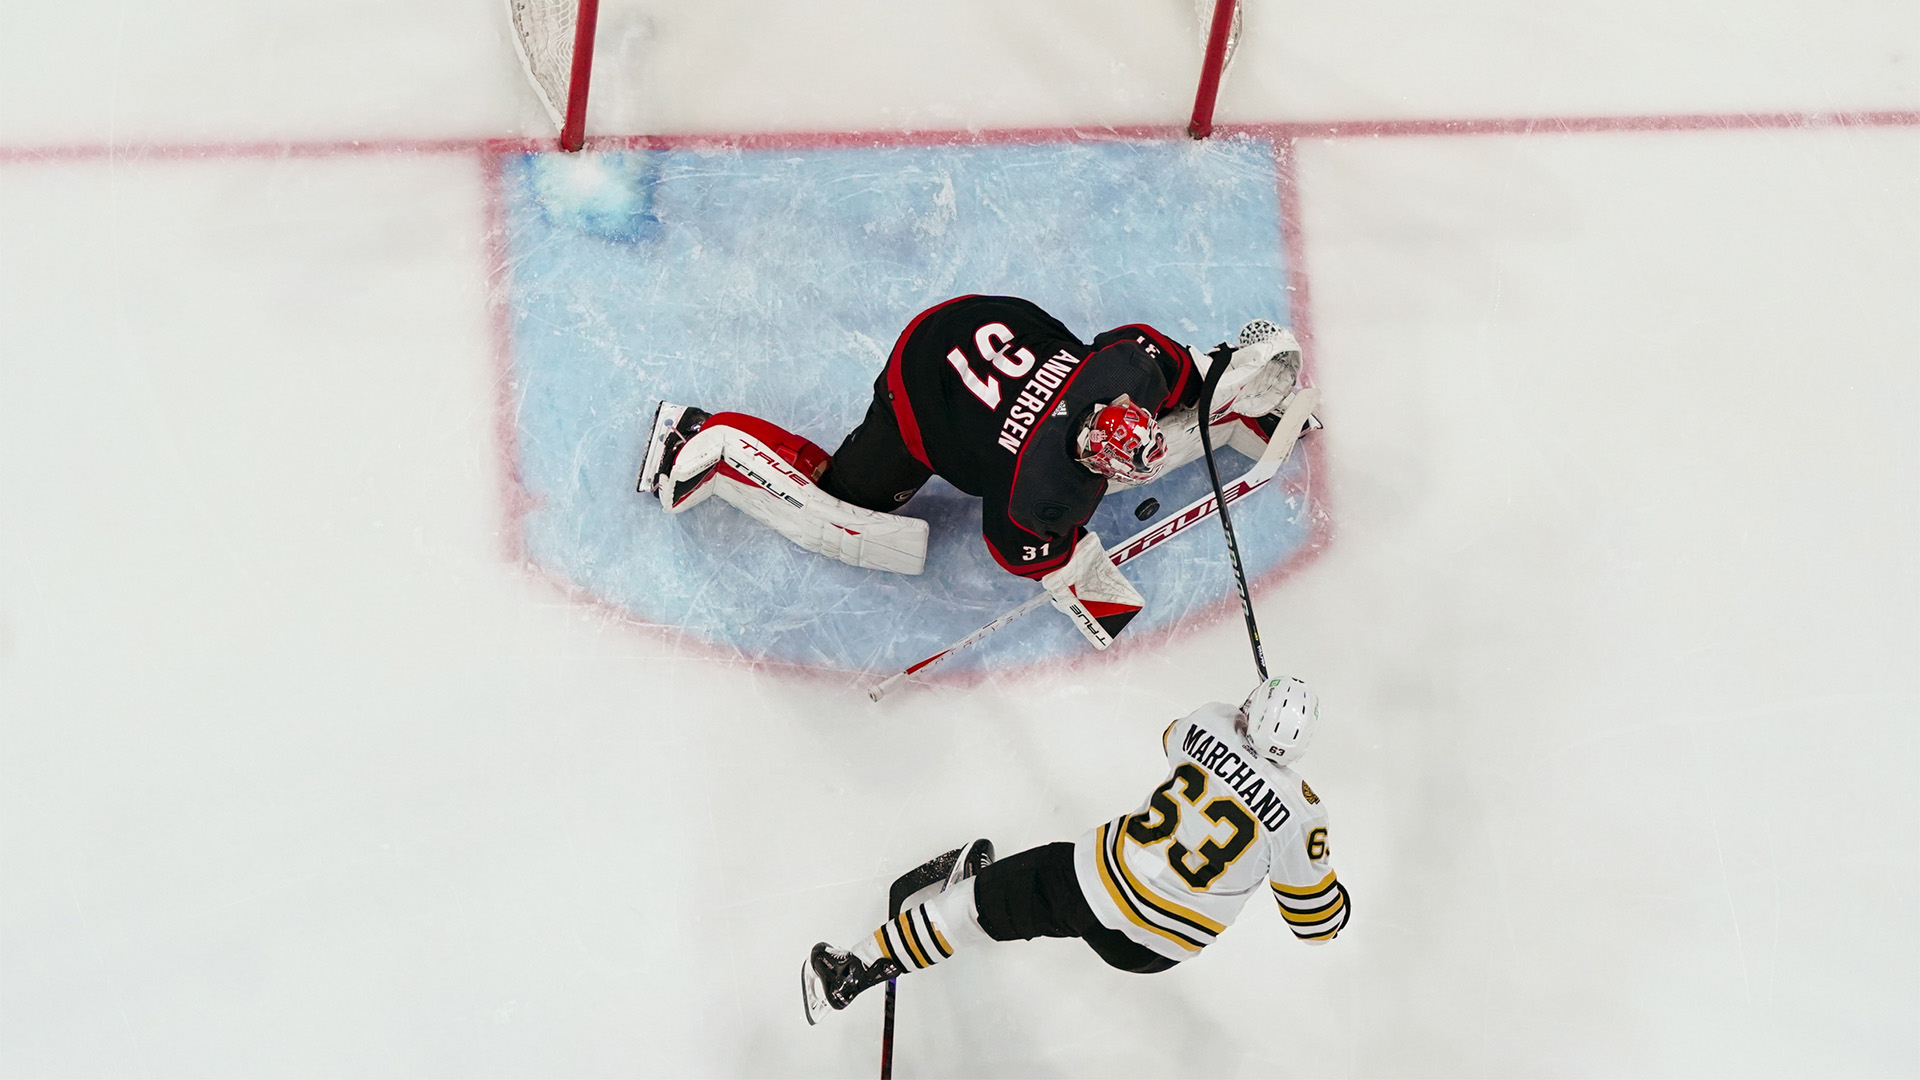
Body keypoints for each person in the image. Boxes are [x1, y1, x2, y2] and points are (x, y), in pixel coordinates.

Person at [635, 294, 1308, 650]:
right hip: (924, 379)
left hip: (993, 321)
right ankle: (706, 438)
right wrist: (1080, 575)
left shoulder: (1133, 367)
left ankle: (1238, 411)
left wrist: (1220, 393)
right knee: (846, 504)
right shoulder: (1035, 498)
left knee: (1151, 403)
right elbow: (1024, 551)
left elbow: (1177, 363)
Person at [800, 676, 1350, 1024]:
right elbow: (1317, 923)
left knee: (972, 908)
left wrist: (1238, 726)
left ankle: (854, 971)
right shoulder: (1303, 815)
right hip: (1151, 954)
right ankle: (1006, 903)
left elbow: (1170, 737)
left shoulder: (1210, 722)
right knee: (1065, 903)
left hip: (1093, 890)